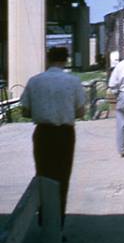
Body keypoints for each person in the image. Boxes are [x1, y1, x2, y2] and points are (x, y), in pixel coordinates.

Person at [19, 46, 87, 227]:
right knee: (62, 177)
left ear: (48, 60)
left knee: (43, 175)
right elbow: (80, 112)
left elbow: (25, 111)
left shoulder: (34, 81)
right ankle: (57, 226)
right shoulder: (73, 81)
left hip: (42, 133)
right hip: (65, 134)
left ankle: (44, 220)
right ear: (66, 60)